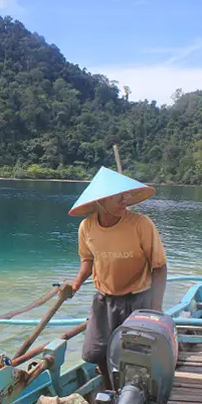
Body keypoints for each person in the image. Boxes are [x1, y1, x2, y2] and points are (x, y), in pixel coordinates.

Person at [67, 166, 168, 390]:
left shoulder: (141, 224)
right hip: (104, 299)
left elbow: (159, 267)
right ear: (100, 202)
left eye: (126, 195)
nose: (125, 200)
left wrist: (155, 310)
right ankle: (111, 389)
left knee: (136, 355)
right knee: (95, 352)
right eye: (118, 196)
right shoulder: (87, 227)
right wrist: (73, 285)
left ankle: (136, 395)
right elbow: (87, 261)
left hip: (137, 299)